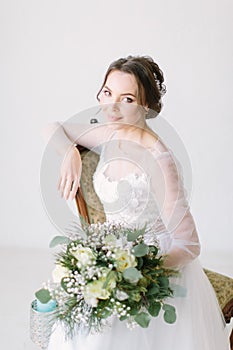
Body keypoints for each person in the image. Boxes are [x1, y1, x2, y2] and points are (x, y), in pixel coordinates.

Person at [45, 55, 229, 349]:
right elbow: (53, 127)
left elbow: (190, 243)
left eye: (126, 98)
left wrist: (133, 274)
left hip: (153, 266)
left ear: (146, 106)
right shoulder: (111, 132)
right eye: (107, 93)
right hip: (114, 254)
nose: (111, 107)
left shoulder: (158, 159)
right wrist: (70, 152)